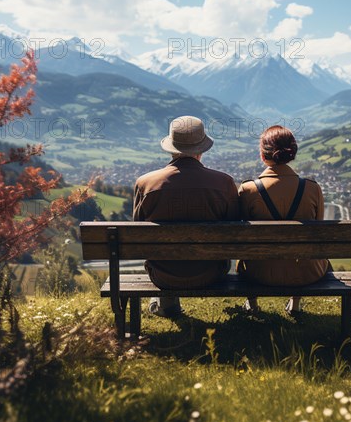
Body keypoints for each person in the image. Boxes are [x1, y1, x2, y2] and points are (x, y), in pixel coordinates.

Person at [133, 115, 239, 317]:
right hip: (212, 273)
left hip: (162, 275)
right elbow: (234, 231)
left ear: (171, 147)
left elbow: (139, 232)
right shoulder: (224, 183)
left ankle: (166, 305)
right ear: (201, 149)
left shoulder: (145, 184)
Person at [237, 125, 331, 315]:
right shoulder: (312, 189)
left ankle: (252, 304)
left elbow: (241, 238)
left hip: (258, 273)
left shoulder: (248, 190)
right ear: (292, 153)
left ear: (263, 155)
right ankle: (295, 304)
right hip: (307, 273)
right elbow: (316, 234)